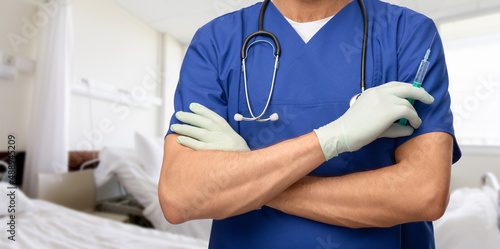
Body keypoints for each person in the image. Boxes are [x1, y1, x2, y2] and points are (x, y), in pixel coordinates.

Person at [158, 0, 462, 248]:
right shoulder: (216, 41)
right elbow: (180, 197)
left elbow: (424, 193)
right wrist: (334, 137)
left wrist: (249, 174)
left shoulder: (406, 33)